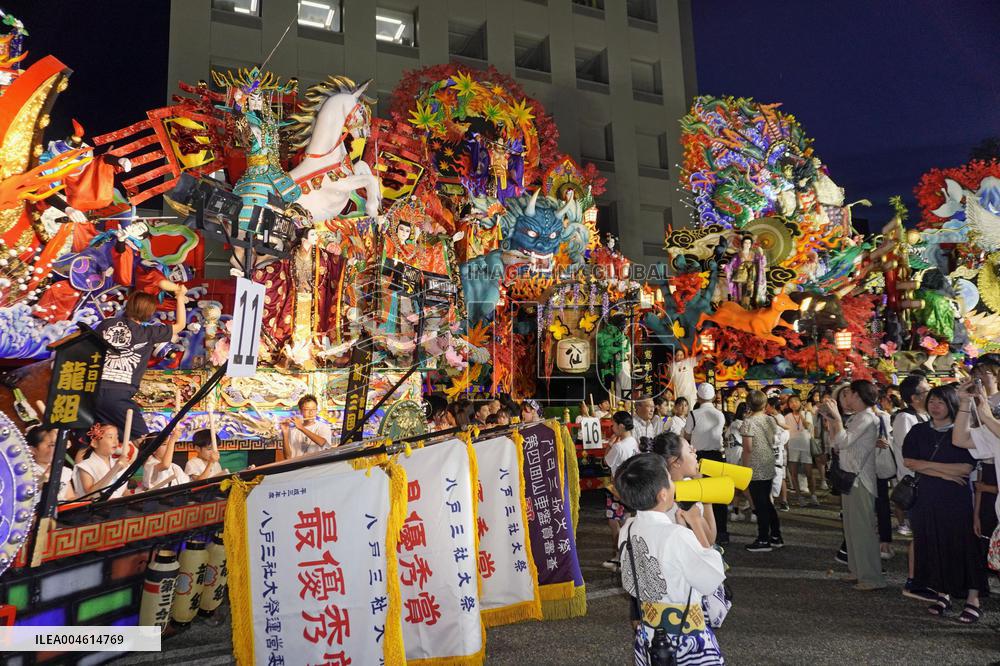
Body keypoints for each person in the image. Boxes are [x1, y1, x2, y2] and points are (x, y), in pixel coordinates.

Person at [615, 453, 726, 665]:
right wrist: (694, 523)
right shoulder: (676, 535)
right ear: (663, 494)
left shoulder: (627, 529)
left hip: (648, 637)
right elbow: (712, 578)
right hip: (685, 640)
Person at [904, 384, 986, 622]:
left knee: (963, 545)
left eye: (940, 401)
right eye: (931, 401)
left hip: (956, 500)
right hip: (926, 497)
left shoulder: (963, 432)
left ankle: (973, 599)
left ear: (951, 403)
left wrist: (930, 468)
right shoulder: (919, 431)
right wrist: (945, 474)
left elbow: (965, 468)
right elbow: (909, 461)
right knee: (933, 545)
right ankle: (943, 593)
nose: (935, 406)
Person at [94, 289, 187, 441]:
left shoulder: (106, 324)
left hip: (94, 390)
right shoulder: (148, 332)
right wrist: (180, 298)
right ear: (149, 313)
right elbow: (181, 325)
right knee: (144, 441)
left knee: (100, 439)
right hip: (119, 395)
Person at [820, 380, 886, 591]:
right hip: (851, 478)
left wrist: (836, 418)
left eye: (849, 394)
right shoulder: (858, 418)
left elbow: (843, 442)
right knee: (851, 529)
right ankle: (857, 571)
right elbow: (836, 444)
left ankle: (871, 577)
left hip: (860, 481)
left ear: (858, 396)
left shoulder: (867, 418)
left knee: (862, 530)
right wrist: (832, 420)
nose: (846, 398)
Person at [892, 374, 934, 600]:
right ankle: (914, 581)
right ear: (914, 397)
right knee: (920, 535)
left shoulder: (923, 415)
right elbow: (909, 455)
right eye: (927, 391)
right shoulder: (904, 419)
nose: (931, 395)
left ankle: (927, 579)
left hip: (929, 482)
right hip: (916, 484)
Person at [652, 432, 718, 545]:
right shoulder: (684, 495)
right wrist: (706, 493)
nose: (695, 453)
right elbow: (710, 538)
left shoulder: (659, 488)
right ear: (676, 462)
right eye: (690, 451)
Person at [684, 383, 729, 545]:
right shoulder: (720, 415)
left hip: (700, 458)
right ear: (713, 397)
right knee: (718, 495)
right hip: (717, 456)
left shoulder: (693, 414)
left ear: (699, 397)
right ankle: (722, 532)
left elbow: (687, 435)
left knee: (700, 495)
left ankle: (701, 531)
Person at [741, 390, 782, 551]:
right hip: (768, 462)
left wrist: (744, 468)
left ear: (749, 404)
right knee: (767, 501)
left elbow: (748, 448)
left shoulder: (748, 422)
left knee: (760, 503)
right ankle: (776, 535)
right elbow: (773, 439)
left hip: (755, 465)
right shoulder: (770, 420)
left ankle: (763, 538)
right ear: (765, 404)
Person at [603, 411, 641, 572]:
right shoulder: (634, 441)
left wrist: (610, 445)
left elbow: (605, 462)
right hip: (631, 487)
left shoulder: (618, 446)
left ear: (620, 426)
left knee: (614, 523)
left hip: (617, 488)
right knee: (626, 522)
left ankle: (619, 557)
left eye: (613, 424)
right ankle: (628, 557)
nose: (612, 427)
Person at [73, 423, 136, 500]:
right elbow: (90, 495)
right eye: (110, 437)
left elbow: (121, 491)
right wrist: (115, 469)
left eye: (117, 437)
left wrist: (137, 498)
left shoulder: (117, 463)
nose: (115, 441)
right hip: (93, 510)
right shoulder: (85, 466)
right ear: (94, 443)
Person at [784, 394, 818, 506]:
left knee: (809, 472)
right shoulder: (787, 416)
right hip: (793, 445)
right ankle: (799, 497)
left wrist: (802, 414)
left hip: (805, 445)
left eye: (796, 401)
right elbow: (785, 431)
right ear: (789, 405)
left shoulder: (807, 413)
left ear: (800, 402)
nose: (794, 404)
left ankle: (813, 495)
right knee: (793, 473)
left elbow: (808, 426)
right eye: (791, 402)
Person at [27, 426, 74, 501]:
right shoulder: (28, 471)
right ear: (32, 450)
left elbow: (71, 498)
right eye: (52, 445)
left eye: (57, 444)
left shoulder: (63, 470)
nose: (57, 449)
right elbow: (43, 483)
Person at [281, 394, 333, 459]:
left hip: (316, 467)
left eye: (314, 409)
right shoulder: (293, 431)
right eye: (307, 409)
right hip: (298, 467)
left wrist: (302, 428)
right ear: (300, 411)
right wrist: (285, 433)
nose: (311, 413)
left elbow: (324, 444)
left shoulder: (323, 427)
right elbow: (288, 457)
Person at [766, 397, 790, 512]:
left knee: (781, 478)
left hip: (778, 452)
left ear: (771, 406)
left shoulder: (777, 418)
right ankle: (780, 501)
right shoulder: (776, 417)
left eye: (767, 406)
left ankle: (783, 500)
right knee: (779, 477)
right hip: (777, 452)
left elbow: (785, 431)